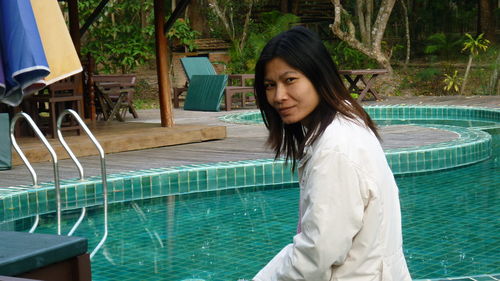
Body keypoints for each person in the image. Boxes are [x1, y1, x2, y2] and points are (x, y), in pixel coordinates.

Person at [251, 26, 412, 281]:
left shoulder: (336, 148)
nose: (279, 96)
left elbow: (317, 255)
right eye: (270, 85)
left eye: (290, 80)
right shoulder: (346, 120)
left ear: (318, 75)